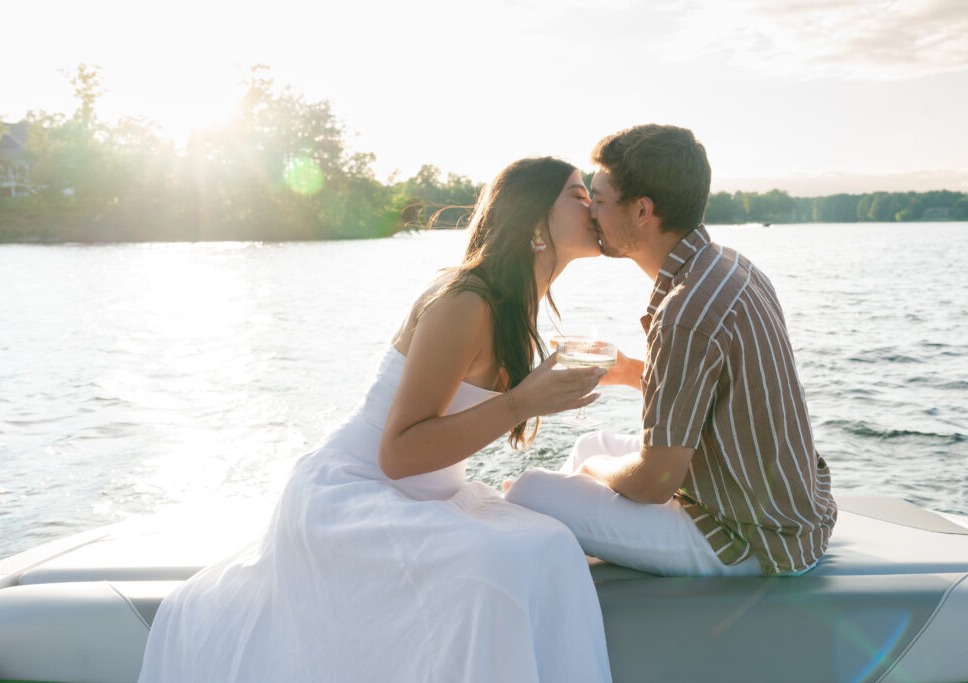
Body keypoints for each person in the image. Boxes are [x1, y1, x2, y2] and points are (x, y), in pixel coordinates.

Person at [137, 157, 614, 683]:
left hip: (426, 495)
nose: (593, 207)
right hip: (353, 493)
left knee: (553, 544)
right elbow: (398, 453)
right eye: (578, 195)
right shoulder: (467, 300)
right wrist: (522, 403)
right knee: (495, 567)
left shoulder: (518, 304)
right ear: (532, 218)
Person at [506, 125, 837, 577]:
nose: (590, 214)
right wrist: (628, 372)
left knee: (529, 491)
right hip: (783, 509)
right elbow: (717, 394)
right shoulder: (729, 266)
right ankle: (577, 556)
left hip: (747, 538)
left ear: (642, 210)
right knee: (588, 444)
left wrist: (597, 470)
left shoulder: (685, 311)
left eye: (598, 200)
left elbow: (654, 483)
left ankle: (558, 575)